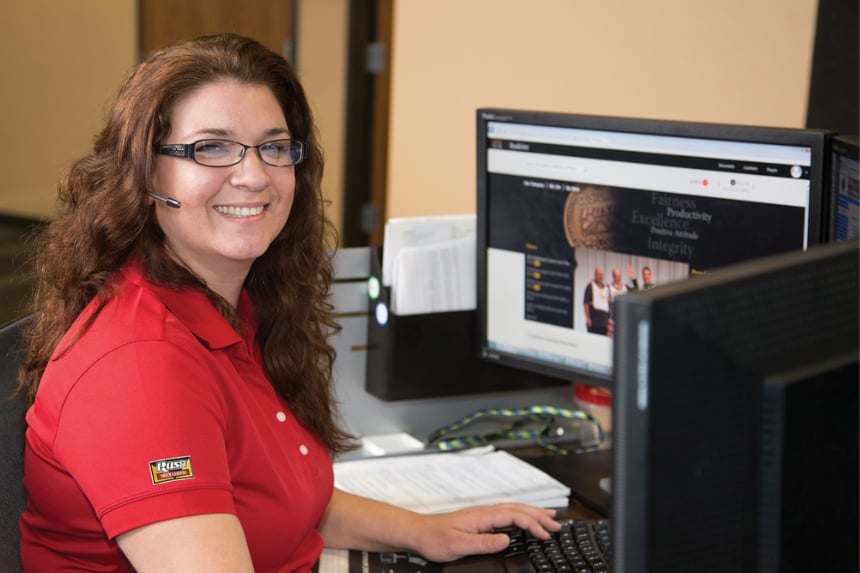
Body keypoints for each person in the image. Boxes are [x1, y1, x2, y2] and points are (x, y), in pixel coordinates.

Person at [16, 34, 559, 572]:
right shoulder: (140, 363)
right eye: (212, 147)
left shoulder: (230, 308)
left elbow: (279, 502)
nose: (253, 175)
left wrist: (424, 530)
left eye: (274, 147)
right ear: (147, 173)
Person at [582, 266, 611, 335]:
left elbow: (608, 302)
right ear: (595, 275)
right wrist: (588, 318)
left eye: (601, 274)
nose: (600, 276)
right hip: (594, 322)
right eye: (598, 274)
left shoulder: (606, 288)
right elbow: (586, 302)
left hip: (604, 323)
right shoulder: (590, 286)